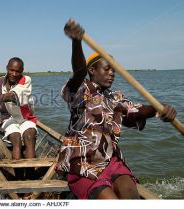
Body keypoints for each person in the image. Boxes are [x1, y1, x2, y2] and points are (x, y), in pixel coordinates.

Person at [55, 19, 177, 199]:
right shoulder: (81, 90)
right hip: (82, 162)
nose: (112, 73)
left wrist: (159, 109)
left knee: (130, 193)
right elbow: (79, 72)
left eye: (114, 70)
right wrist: (76, 41)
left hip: (111, 159)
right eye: (107, 69)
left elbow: (138, 110)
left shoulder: (115, 98)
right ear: (92, 70)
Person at [0, 57, 37, 180]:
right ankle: (19, 179)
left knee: (29, 136)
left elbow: (12, 96)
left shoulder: (26, 80)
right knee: (16, 139)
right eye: (12, 70)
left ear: (22, 71)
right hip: (8, 119)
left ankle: (31, 179)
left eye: (18, 71)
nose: (14, 74)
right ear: (7, 68)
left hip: (25, 118)